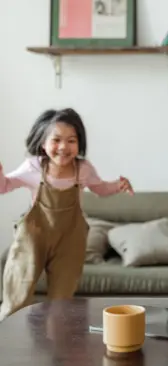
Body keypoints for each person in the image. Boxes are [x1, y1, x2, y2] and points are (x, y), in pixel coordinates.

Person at [0, 108, 133, 320]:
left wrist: (118, 185)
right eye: (56, 140)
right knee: (18, 292)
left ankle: (59, 346)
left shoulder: (83, 169)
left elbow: (99, 189)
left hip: (69, 240)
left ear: (79, 143)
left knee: (62, 301)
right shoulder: (33, 167)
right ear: (43, 144)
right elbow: (4, 186)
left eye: (71, 140)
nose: (63, 147)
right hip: (33, 238)